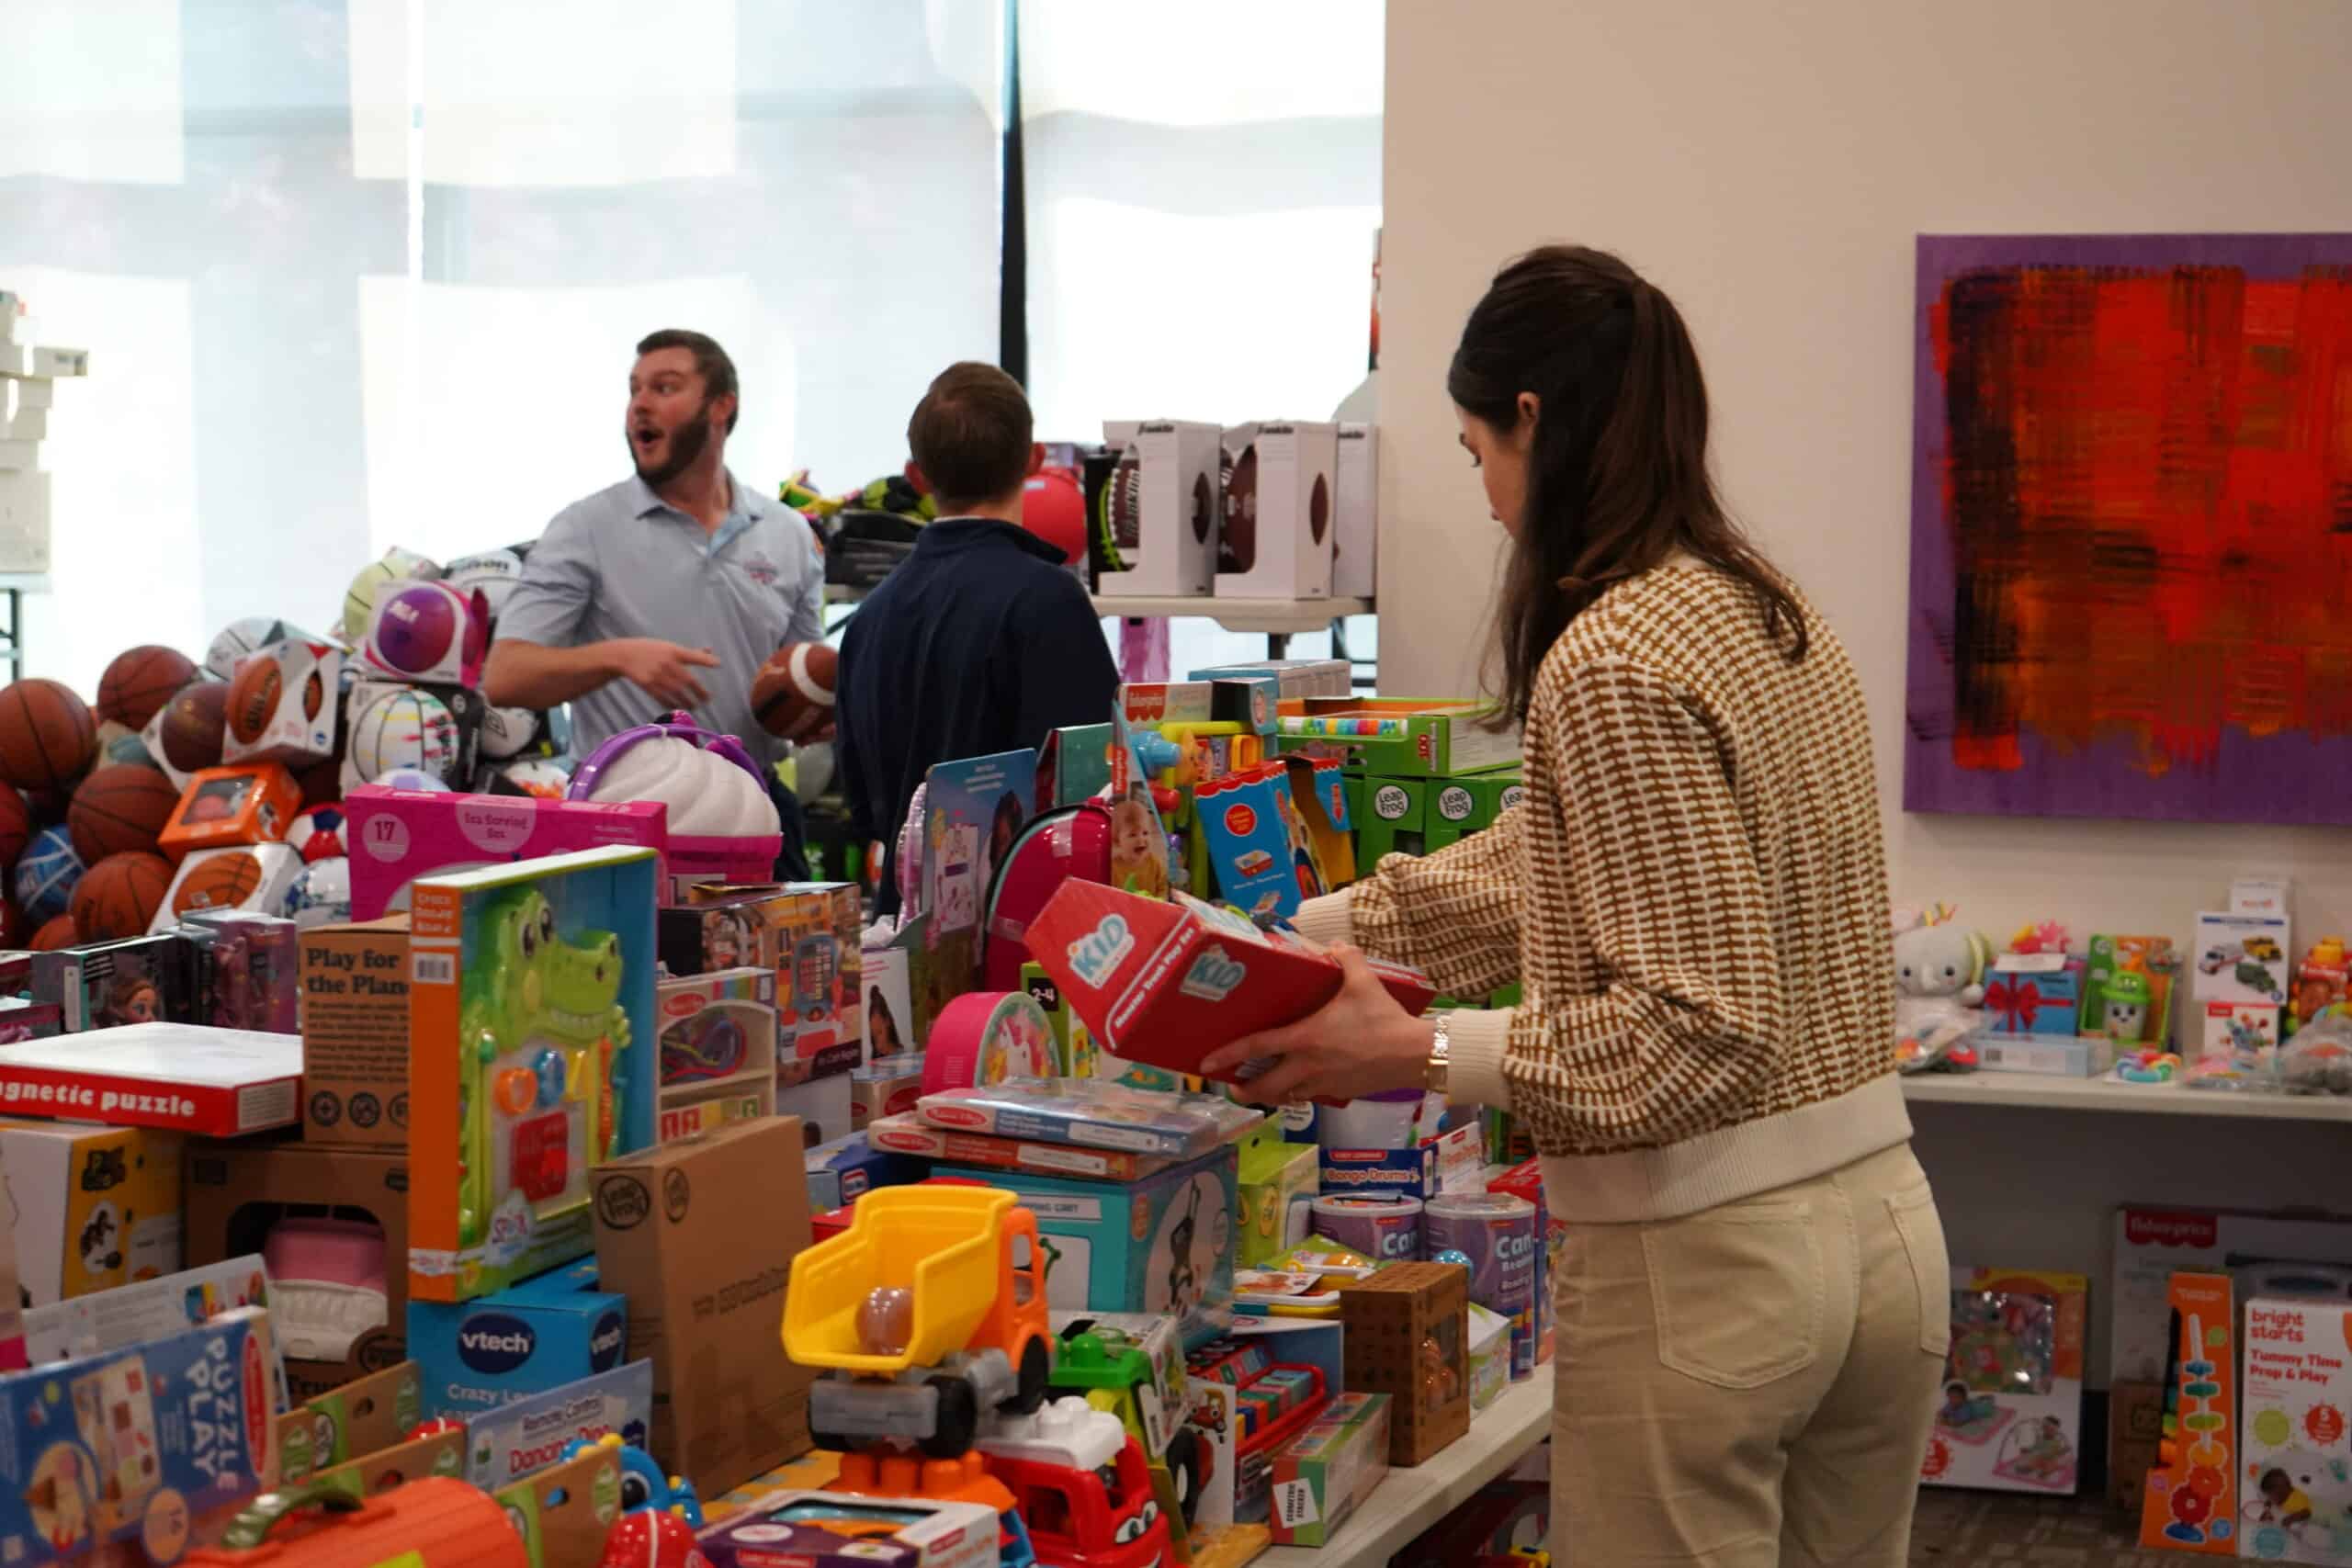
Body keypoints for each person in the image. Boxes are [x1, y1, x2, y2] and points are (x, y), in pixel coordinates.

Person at [1202, 246, 1951, 1568]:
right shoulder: (1767, 613)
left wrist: (1415, 1050)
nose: (1486, 497)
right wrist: (1304, 935)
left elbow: (1694, 1032)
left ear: (1534, 419)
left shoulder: (1609, 654)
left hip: (1714, 1261)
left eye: (1476, 448)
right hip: (1885, 1229)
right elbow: (1553, 863)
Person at [486, 328, 824, 874]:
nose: (640, 404)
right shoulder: (585, 529)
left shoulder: (788, 535)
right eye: (634, 388)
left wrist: (818, 713)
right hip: (620, 822)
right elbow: (506, 676)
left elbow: (791, 681)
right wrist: (618, 657)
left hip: (753, 812)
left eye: (664, 387)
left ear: (721, 406)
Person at [837, 362, 1118, 916]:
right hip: (1025, 933)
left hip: (903, 937)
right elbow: (1098, 792)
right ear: (1034, 461)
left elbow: (866, 814)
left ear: (916, 478)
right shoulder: (1048, 600)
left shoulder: (866, 620)